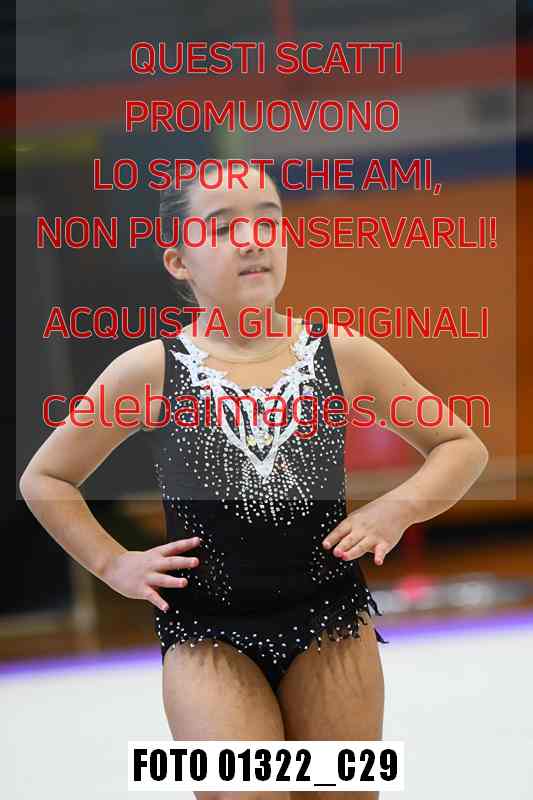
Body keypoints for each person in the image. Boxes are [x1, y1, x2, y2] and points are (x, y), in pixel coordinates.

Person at [19, 160, 488, 800]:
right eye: (221, 227)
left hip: (330, 622)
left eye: (267, 222)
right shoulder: (149, 371)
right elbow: (46, 477)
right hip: (206, 635)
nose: (251, 240)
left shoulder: (345, 355)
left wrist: (397, 509)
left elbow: (461, 446)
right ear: (178, 261)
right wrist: (112, 563)